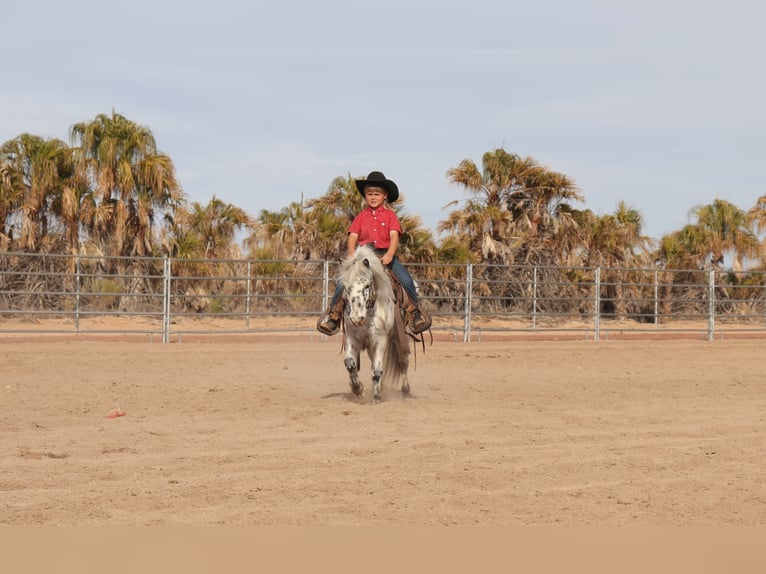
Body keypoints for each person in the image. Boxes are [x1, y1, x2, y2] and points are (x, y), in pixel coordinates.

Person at [317, 170, 430, 336]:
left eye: (376, 194)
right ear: (365, 195)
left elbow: (394, 236)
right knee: (344, 281)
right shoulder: (361, 217)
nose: (373, 197)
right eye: (369, 194)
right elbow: (352, 237)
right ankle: (335, 313)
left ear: (385, 195)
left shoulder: (391, 216)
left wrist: (390, 254)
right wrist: (352, 257)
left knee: (405, 279)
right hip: (363, 255)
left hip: (385, 255)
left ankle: (413, 312)